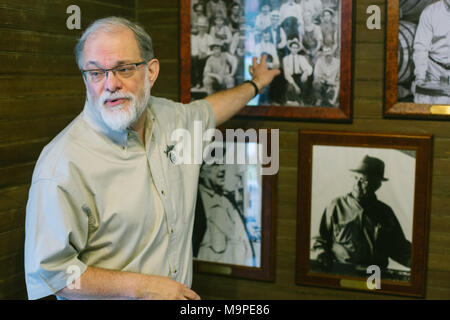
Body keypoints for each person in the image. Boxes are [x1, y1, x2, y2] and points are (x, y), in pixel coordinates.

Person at [24, 16, 279, 300]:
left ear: (151, 71)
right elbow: (53, 274)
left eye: (124, 69)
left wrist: (256, 83)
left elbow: (212, 110)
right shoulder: (62, 163)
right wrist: (143, 288)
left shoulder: (173, 119)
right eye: (96, 73)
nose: (110, 84)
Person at [311, 155, 412, 276]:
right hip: (340, 273)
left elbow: (399, 248)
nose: (357, 184)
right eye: (355, 178)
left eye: (364, 180)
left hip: (373, 276)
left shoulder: (385, 213)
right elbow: (319, 240)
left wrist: (421, 264)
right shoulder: (336, 206)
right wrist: (321, 255)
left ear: (377, 185)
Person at [195, 158, 254, 266]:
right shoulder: (195, 203)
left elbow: (243, 239)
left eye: (222, 164)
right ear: (202, 172)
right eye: (215, 165)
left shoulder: (228, 201)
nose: (222, 169)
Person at [412, 0, 450, 104]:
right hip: (434, 71)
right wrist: (420, 77)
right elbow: (421, 47)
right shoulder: (430, 12)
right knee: (430, 108)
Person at [282, 38, 313, 105]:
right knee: (291, 88)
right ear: (290, 48)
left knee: (304, 83)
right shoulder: (285, 59)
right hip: (290, 78)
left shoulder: (301, 58)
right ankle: (294, 100)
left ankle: (302, 100)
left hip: (299, 77)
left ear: (298, 49)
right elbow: (286, 75)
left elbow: (309, 68)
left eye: (296, 48)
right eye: (293, 47)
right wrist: (295, 85)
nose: (294, 49)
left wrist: (305, 72)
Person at [191, 16, 211, 90]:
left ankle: (202, 82)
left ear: (205, 28)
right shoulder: (195, 38)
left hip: (206, 56)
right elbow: (194, 49)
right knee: (194, 60)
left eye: (203, 27)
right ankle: (196, 82)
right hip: (198, 56)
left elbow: (211, 49)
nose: (201, 29)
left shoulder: (209, 37)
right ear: (198, 28)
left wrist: (205, 54)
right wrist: (199, 54)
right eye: (200, 27)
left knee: (205, 60)